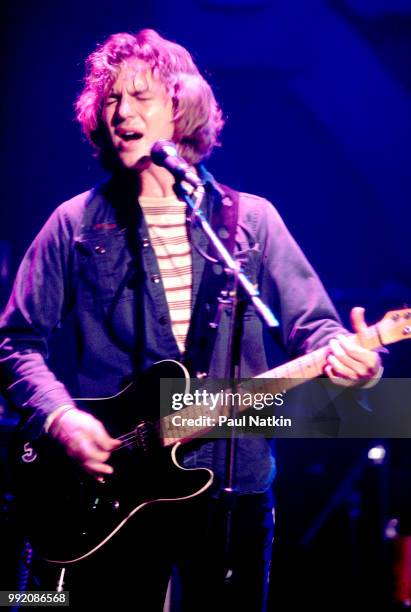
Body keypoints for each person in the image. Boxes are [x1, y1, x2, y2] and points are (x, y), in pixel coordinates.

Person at [0, 29, 382, 612]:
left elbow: (316, 329)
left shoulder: (250, 222)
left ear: (181, 109)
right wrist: (61, 418)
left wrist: (356, 363)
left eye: (139, 96)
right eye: (109, 100)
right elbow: (15, 342)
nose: (121, 111)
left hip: (232, 480)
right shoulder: (74, 223)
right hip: (109, 481)